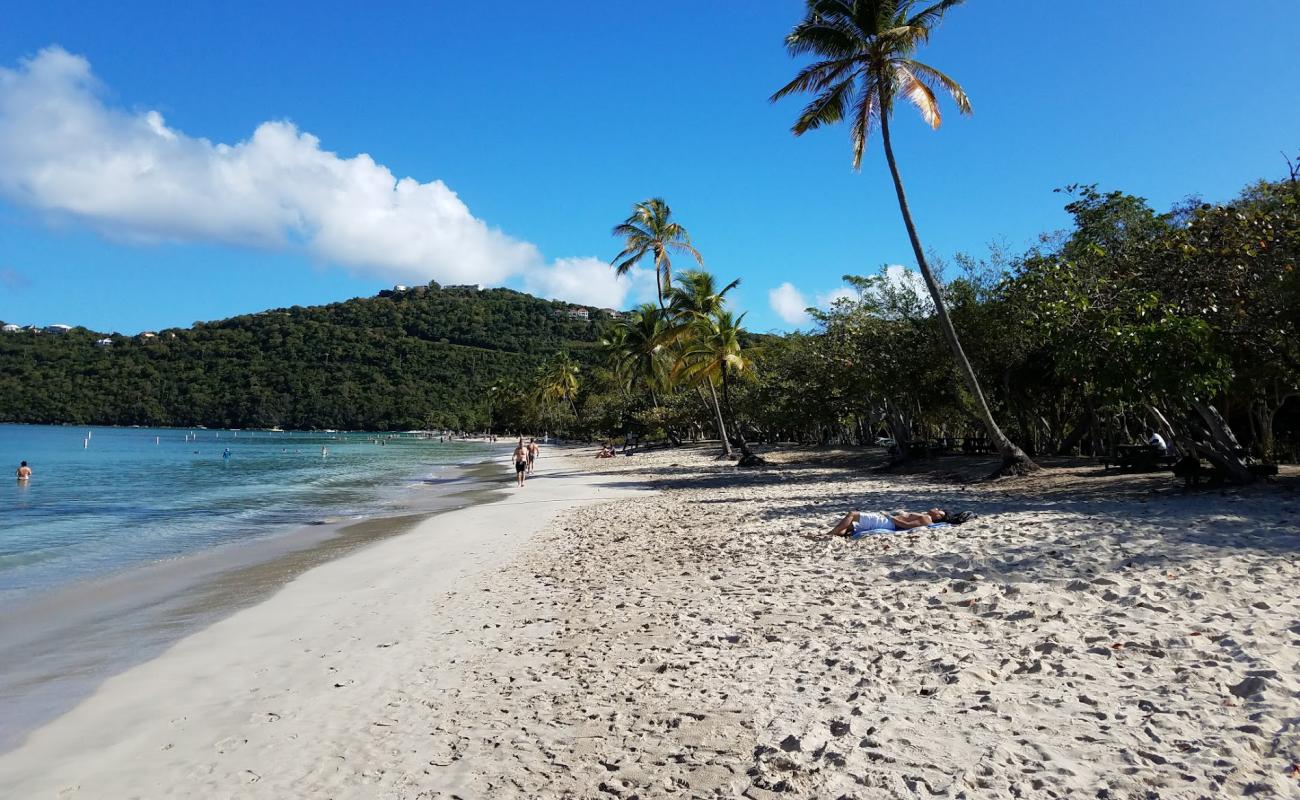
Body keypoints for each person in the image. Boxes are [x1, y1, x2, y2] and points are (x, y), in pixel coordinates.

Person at [827, 507, 972, 537]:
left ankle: (830, 534)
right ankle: (838, 533)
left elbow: (906, 525)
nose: (936, 508)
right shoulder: (925, 516)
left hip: (886, 523)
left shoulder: (926, 519)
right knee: (851, 524)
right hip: (887, 521)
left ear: (939, 517)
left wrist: (889, 516)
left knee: (853, 514)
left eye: (939, 510)